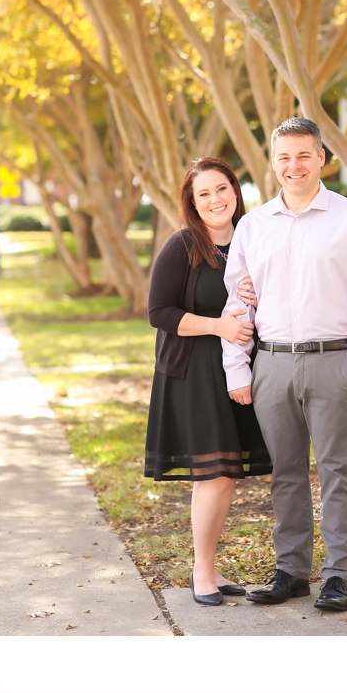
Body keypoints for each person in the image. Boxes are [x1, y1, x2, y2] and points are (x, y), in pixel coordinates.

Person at [222, 117, 347, 613]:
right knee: (286, 473)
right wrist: (238, 369)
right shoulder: (253, 227)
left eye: (303, 155)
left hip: (333, 362)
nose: (293, 166)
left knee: (338, 470)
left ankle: (339, 575)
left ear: (321, 158)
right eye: (284, 157)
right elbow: (238, 304)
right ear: (273, 162)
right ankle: (292, 571)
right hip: (271, 364)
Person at [145, 158, 273, 606]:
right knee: (214, 475)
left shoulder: (254, 238)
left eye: (222, 189)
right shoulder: (183, 245)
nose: (216, 200)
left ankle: (212, 569)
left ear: (236, 191)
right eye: (204, 194)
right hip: (195, 372)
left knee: (227, 475)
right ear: (192, 203)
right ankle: (201, 571)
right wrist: (217, 326)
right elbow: (157, 312)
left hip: (239, 367)